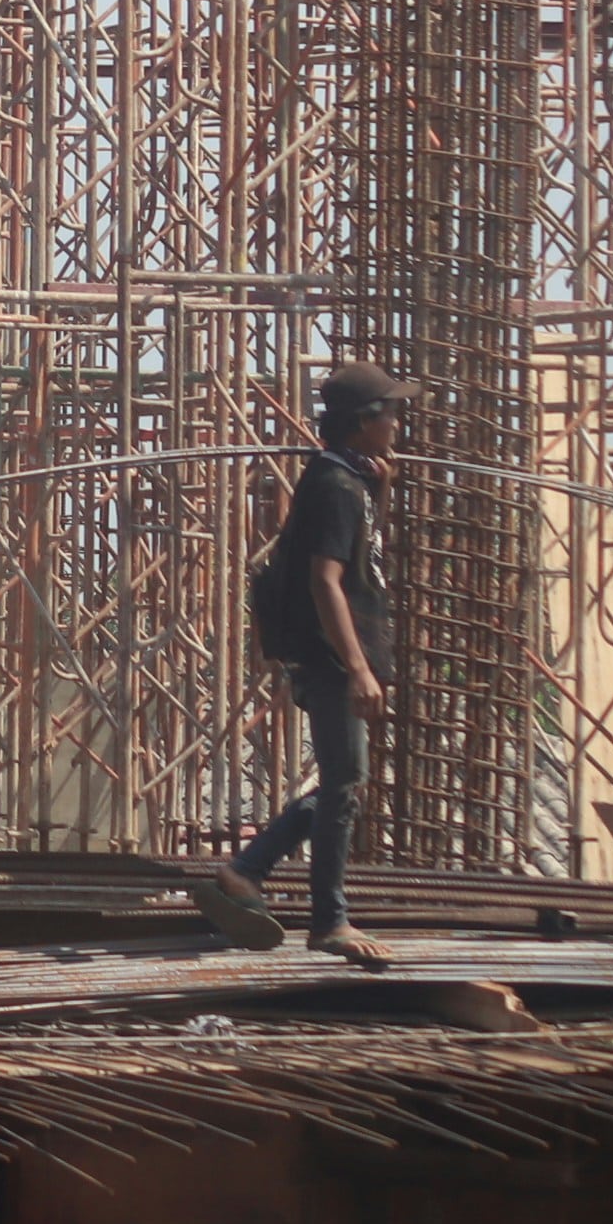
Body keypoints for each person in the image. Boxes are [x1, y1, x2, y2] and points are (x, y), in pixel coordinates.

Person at [233, 361, 408, 967]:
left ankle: (248, 871)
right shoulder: (334, 487)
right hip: (332, 657)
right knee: (345, 785)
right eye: (390, 412)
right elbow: (327, 581)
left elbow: (357, 558)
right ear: (364, 422)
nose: (397, 422)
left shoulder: (345, 481)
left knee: (344, 784)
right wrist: (357, 666)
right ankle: (327, 920)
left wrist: (378, 494)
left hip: (330, 653)